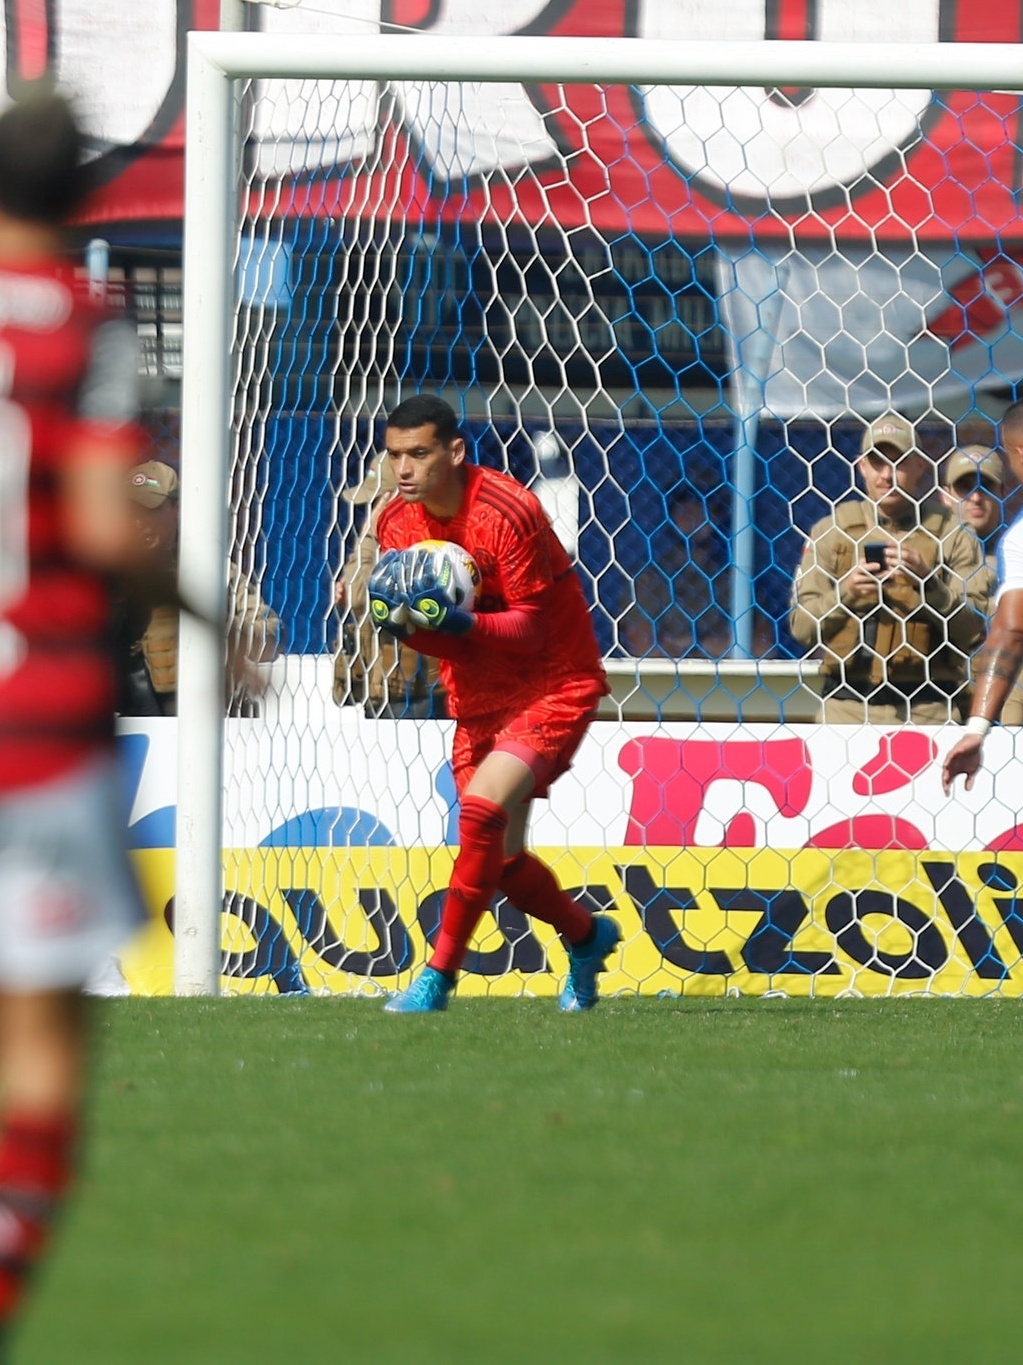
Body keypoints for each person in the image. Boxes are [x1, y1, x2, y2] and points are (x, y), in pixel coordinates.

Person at [0, 90, 224, 1341]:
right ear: (85, 199)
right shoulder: (79, 325)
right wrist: (202, 619)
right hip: (32, 728)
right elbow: (95, 523)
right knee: (37, 1059)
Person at [367, 395, 618, 1012]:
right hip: (477, 697)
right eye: (395, 454)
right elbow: (435, 635)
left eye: (419, 454)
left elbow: (530, 628)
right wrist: (401, 626)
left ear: (454, 451)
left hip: (553, 682)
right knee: (501, 862)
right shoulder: (394, 525)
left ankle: (437, 978)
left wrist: (454, 624)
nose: (404, 469)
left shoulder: (509, 509)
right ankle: (586, 937)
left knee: (478, 813)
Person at [790, 412, 989, 724]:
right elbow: (801, 628)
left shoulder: (954, 534)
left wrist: (928, 585)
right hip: (847, 708)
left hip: (929, 709)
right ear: (861, 467)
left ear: (921, 465)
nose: (887, 474)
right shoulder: (831, 532)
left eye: (900, 462)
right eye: (878, 462)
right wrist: (846, 595)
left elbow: (974, 629)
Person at [117, 457, 281, 716]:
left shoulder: (210, 566)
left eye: (150, 510)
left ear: (177, 508)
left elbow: (270, 633)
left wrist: (221, 631)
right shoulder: (109, 569)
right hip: (129, 718)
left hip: (205, 714)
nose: (139, 521)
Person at [943, 405, 1023, 791]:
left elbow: (1010, 631)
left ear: (1017, 452)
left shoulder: (1019, 539)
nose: (975, 497)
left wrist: (975, 730)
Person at [332, 451, 446, 719]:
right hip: (393, 683)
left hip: (410, 692)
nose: (373, 510)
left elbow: (359, 594)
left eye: (380, 500)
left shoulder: (414, 539)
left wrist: (370, 533)